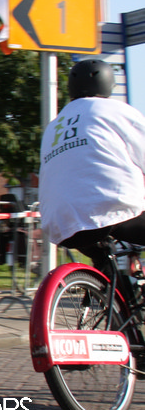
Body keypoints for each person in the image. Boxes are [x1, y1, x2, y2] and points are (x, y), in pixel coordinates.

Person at [39, 59, 145, 271]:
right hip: (111, 210)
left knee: (104, 258)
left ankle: (104, 285)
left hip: (61, 224)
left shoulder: (54, 125)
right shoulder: (116, 110)